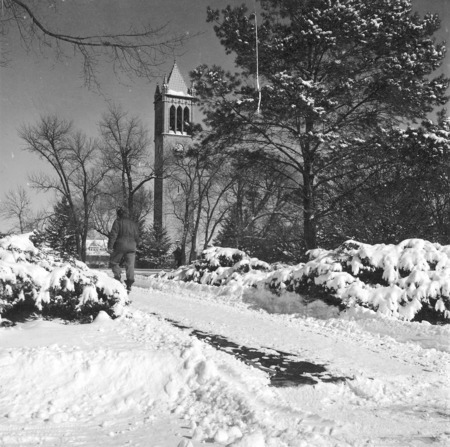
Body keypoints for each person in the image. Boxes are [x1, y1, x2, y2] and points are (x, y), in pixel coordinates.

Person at [107, 207, 140, 293]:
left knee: (114, 262)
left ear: (119, 214)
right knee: (130, 265)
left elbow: (113, 235)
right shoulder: (133, 223)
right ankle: (129, 284)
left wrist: (110, 247)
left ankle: (117, 278)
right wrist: (138, 244)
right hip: (132, 246)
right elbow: (137, 236)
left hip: (120, 246)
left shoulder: (118, 222)